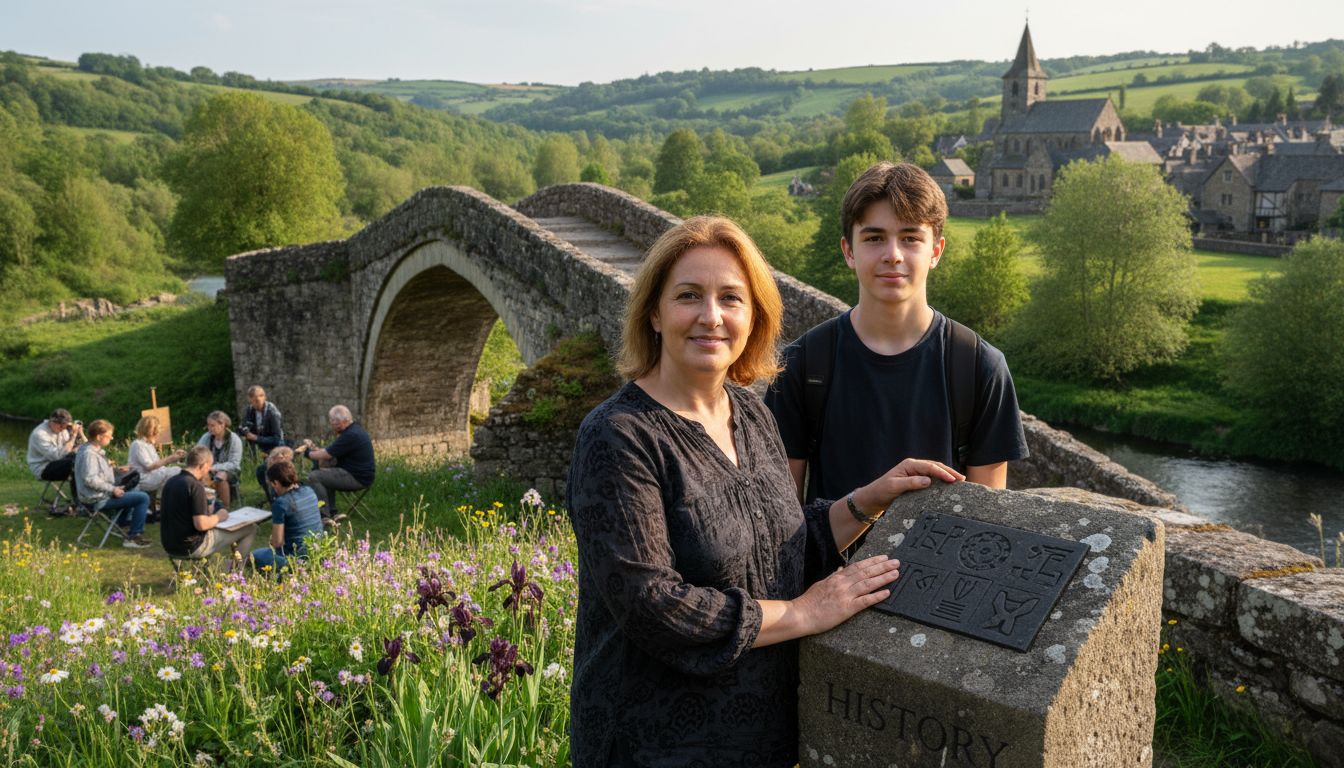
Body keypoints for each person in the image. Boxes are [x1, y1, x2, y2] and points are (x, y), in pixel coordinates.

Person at [566, 215, 962, 766]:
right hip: (652, 743)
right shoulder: (618, 437)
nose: (711, 316)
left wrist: (867, 501)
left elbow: (779, 546)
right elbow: (653, 606)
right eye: (688, 296)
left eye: (732, 298)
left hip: (763, 740)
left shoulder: (751, 412)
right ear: (654, 312)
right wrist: (804, 612)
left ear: (753, 316)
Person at [766, 161, 1027, 504]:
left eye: (910, 238)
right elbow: (783, 522)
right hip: (835, 560)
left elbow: (987, 521)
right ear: (849, 251)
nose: (893, 255)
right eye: (874, 238)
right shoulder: (801, 365)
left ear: (936, 251)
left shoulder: (980, 368)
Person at [160, 445, 257, 565]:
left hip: (169, 545)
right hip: (191, 546)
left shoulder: (171, 481)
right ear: (204, 465)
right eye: (209, 467)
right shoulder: (195, 486)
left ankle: (206, 570)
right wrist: (219, 516)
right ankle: (234, 569)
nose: (209, 471)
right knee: (250, 528)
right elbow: (201, 524)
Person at [74, 420, 153, 549]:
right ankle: (133, 537)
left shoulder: (90, 449)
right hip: (96, 499)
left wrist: (115, 470)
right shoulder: (89, 455)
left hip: (98, 494)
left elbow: (96, 473)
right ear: (99, 437)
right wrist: (113, 489)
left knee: (132, 491)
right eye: (109, 435)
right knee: (142, 497)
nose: (112, 437)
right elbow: (90, 479)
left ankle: (120, 525)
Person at [301, 405, 374, 525]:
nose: (331, 425)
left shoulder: (350, 435)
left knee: (315, 476)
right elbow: (332, 451)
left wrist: (308, 453)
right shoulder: (353, 430)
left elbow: (327, 454)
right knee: (325, 474)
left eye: (332, 422)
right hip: (358, 475)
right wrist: (315, 449)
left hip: (357, 478)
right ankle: (332, 512)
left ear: (341, 422)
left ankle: (324, 516)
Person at [251, 461, 323, 574]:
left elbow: (277, 542)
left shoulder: (281, 503)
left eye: (272, 485)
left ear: (276, 483)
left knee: (254, 555)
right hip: (317, 549)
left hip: (294, 558)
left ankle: (279, 575)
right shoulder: (309, 491)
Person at [26, 408, 84, 515]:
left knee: (83, 458)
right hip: (43, 468)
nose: (63, 429)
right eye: (60, 426)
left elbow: (69, 450)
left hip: (57, 462)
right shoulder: (39, 434)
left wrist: (79, 434)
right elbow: (57, 456)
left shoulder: (62, 430)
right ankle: (80, 503)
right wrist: (73, 437)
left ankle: (87, 500)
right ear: (52, 421)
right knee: (75, 464)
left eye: (65, 426)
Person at [128, 415, 186, 495]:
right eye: (157, 430)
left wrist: (174, 456)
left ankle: (170, 500)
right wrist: (171, 458)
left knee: (179, 471)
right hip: (143, 478)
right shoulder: (138, 444)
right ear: (151, 431)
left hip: (152, 475)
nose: (159, 433)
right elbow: (150, 466)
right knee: (178, 472)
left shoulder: (148, 444)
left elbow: (158, 464)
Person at [197, 411, 243, 508]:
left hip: (231, 470)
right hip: (210, 469)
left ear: (222, 425)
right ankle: (207, 506)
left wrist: (214, 467)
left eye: (212, 425)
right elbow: (198, 453)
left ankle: (224, 508)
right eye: (208, 425)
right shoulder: (207, 437)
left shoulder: (234, 439)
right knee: (202, 475)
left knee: (220, 476)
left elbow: (234, 464)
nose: (209, 428)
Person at [240, 385, 285, 473]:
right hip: (257, 446)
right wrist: (244, 431)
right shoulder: (250, 410)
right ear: (250, 400)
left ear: (264, 397)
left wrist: (256, 438)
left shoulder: (273, 413)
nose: (257, 403)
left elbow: (277, 439)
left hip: (273, 447)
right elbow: (244, 425)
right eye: (254, 401)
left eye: (259, 400)